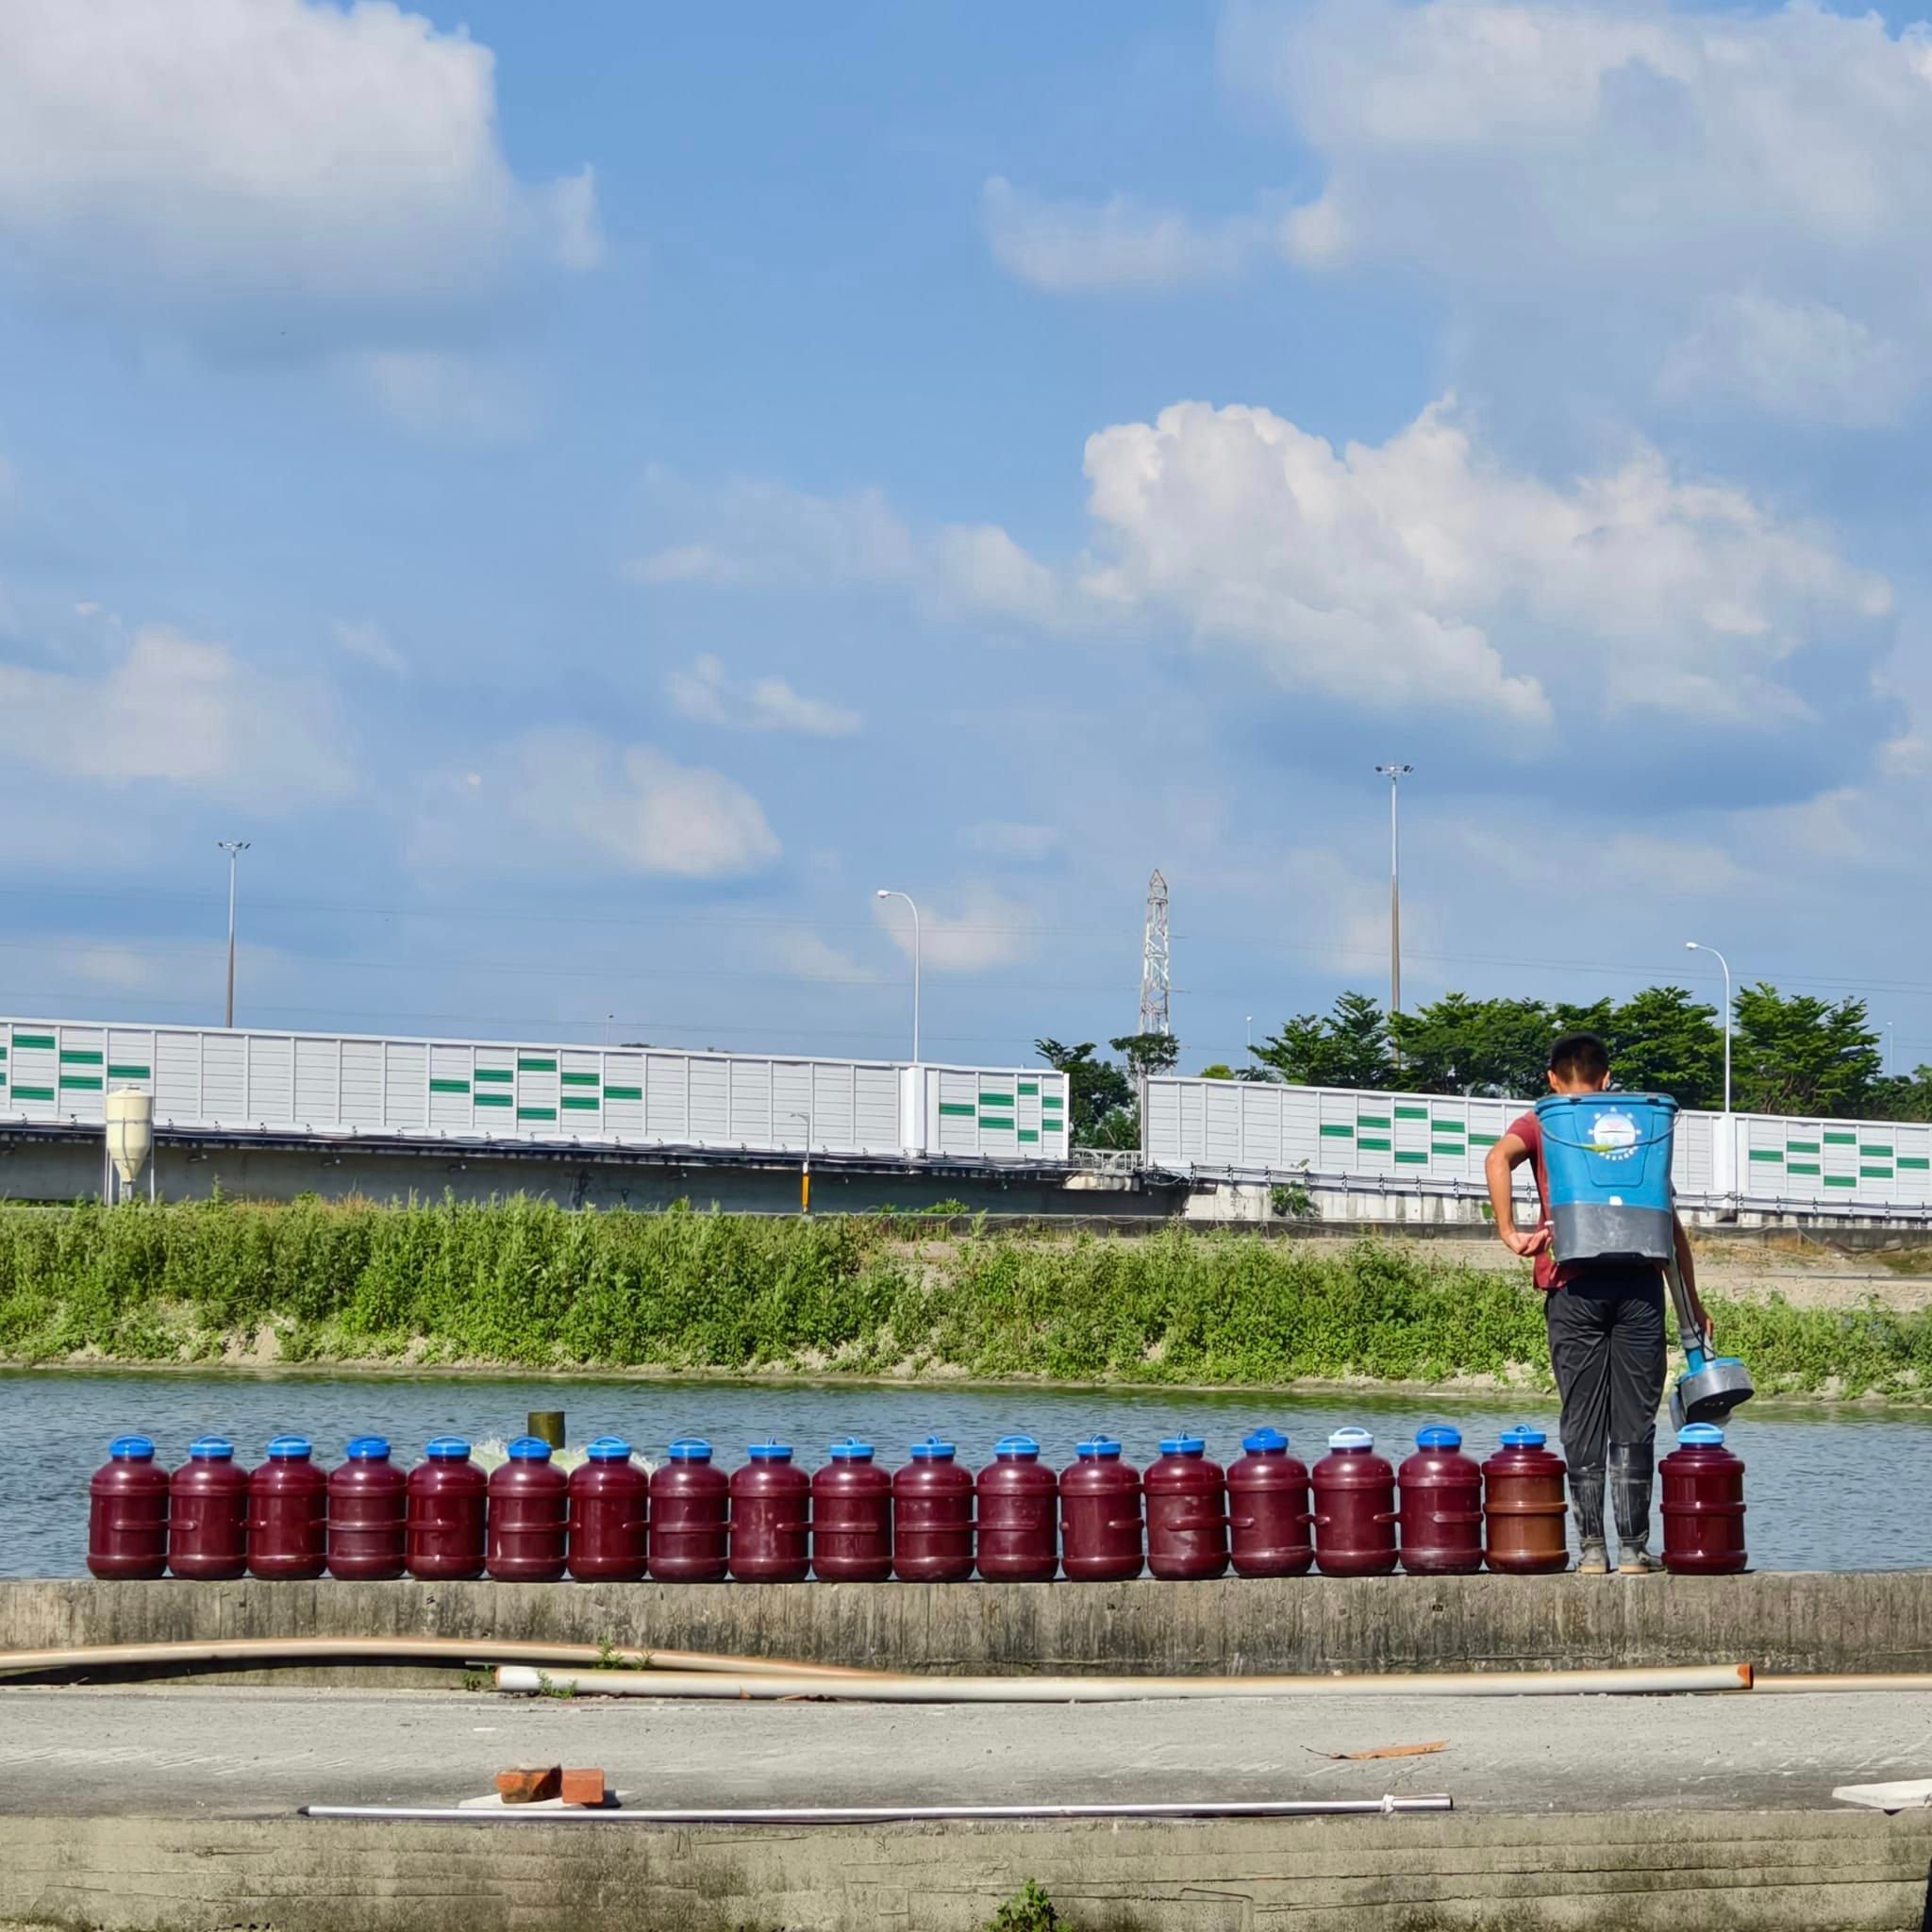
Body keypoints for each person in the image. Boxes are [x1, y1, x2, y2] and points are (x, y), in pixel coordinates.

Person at [1482, 1032, 1711, 1575]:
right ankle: (1632, 1550)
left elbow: (1497, 1159)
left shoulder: (1545, 1121)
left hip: (1573, 1285)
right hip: (1639, 1288)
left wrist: (1510, 1233)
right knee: (1634, 1420)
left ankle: (1591, 1551)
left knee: (1582, 1417)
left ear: (1552, 1079)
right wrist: (1692, 1303)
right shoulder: (1641, 1121)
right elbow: (1668, 1223)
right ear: (1607, 1079)